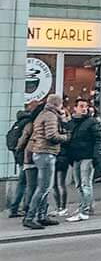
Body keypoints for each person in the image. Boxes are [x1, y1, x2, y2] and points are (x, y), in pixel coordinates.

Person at [23, 94, 69, 229]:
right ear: (58, 104)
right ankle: (30, 217)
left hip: (39, 152)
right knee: (43, 187)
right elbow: (51, 135)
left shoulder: (42, 114)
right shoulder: (50, 116)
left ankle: (42, 216)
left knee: (44, 187)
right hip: (46, 153)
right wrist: (65, 137)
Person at [65, 99, 101, 222]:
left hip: (87, 156)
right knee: (79, 184)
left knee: (85, 184)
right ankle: (86, 205)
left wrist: (96, 156)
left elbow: (98, 139)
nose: (84, 109)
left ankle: (84, 210)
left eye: (86, 106)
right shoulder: (71, 123)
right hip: (75, 157)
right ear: (75, 108)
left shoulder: (91, 122)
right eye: (81, 106)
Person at [7, 101, 43, 218]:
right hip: (27, 156)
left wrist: (17, 150)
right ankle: (25, 207)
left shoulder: (19, 121)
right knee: (29, 184)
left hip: (20, 156)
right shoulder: (30, 122)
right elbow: (24, 139)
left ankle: (14, 209)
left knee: (22, 183)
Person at [52, 103, 72, 216]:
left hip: (62, 157)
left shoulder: (67, 127)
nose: (61, 115)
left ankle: (62, 207)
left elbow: (68, 141)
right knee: (54, 185)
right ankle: (58, 206)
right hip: (56, 156)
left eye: (63, 113)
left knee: (60, 183)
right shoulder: (55, 125)